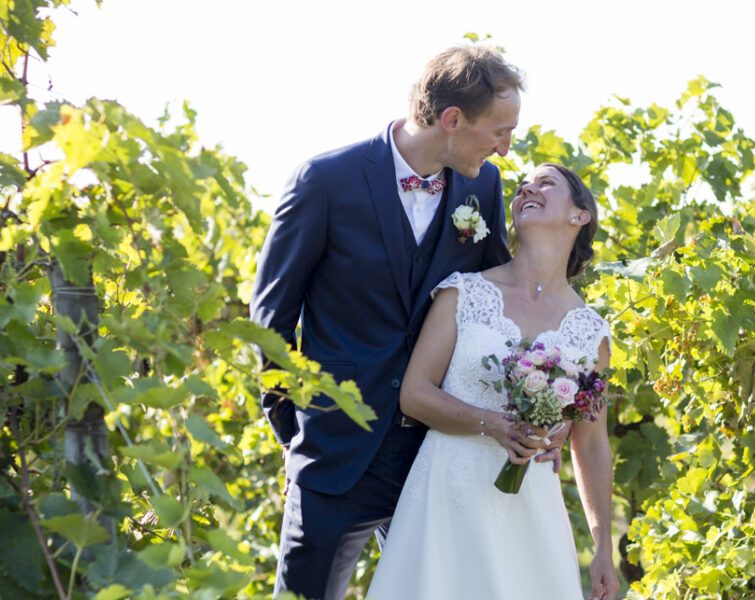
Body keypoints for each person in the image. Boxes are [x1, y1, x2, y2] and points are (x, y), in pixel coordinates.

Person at [250, 46, 568, 600]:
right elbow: (270, 320)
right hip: (335, 454)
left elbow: (501, 299)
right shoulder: (324, 180)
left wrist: (539, 408)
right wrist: (296, 430)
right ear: (451, 120)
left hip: (439, 455)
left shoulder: (482, 187)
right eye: (499, 130)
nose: (505, 147)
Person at [366, 163, 620, 600]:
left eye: (545, 183)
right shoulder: (463, 292)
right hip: (446, 494)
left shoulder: (589, 331)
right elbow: (414, 394)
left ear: (580, 216)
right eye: (523, 186)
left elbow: (591, 443)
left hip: (530, 511)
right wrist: (494, 424)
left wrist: (602, 547)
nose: (527, 188)